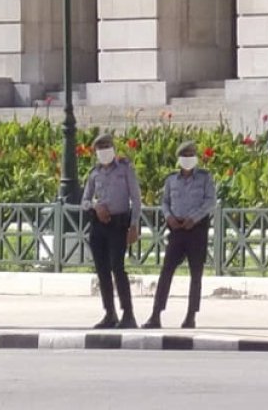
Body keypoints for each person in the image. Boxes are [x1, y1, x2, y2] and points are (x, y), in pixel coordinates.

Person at [143, 140, 217, 330]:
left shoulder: (204, 178)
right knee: (166, 271)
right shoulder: (171, 180)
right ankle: (155, 314)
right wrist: (169, 217)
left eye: (191, 154)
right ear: (179, 159)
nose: (188, 158)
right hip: (176, 229)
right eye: (185, 155)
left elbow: (210, 202)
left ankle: (191, 315)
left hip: (196, 230)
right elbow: (165, 202)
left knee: (196, 274)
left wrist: (194, 218)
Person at [81, 132, 141, 329]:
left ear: (113, 148)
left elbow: (136, 199)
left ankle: (128, 314)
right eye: (100, 148)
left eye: (107, 146)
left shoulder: (124, 169)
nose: (103, 150)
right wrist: (95, 207)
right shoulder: (94, 173)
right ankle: (109, 313)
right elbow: (84, 201)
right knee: (102, 270)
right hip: (99, 225)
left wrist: (134, 225)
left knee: (117, 268)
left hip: (119, 223)